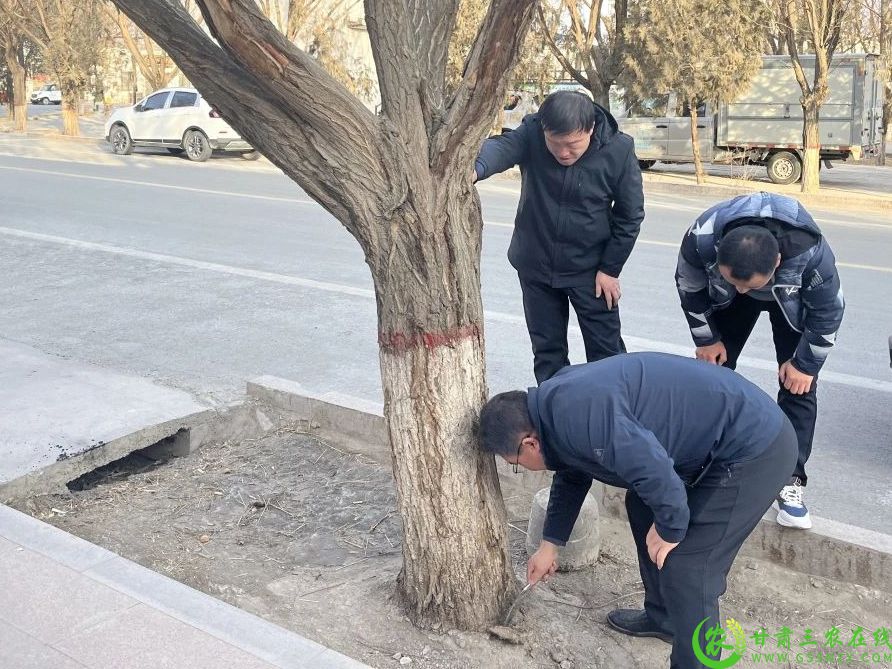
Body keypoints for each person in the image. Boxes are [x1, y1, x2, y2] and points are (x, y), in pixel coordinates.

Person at [477, 352, 797, 669]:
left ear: (529, 443)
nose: (526, 469)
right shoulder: (553, 410)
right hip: (718, 443)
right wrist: (550, 545)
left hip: (755, 445)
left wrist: (671, 529)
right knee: (642, 504)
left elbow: (655, 472)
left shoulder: (581, 414)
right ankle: (665, 618)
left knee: (689, 566)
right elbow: (572, 473)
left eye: (516, 465)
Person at [675, 192, 845, 529]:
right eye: (731, 280)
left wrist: (806, 365)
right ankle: (702, 462)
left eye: (746, 285)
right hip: (728, 300)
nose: (741, 290)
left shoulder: (810, 254)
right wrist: (707, 338)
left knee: (798, 386)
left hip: (791, 300)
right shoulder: (703, 237)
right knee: (712, 374)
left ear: (777, 263)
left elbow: (829, 311)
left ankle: (790, 479)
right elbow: (689, 285)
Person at [473, 90, 645, 383]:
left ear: (590, 129)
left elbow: (630, 216)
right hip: (536, 267)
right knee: (547, 352)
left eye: (573, 145)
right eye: (555, 144)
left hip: (591, 272)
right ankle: (557, 418)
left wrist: (609, 269)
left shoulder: (618, 149)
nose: (564, 153)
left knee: (608, 355)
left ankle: (616, 417)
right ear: (544, 131)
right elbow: (501, 148)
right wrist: (475, 168)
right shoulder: (532, 132)